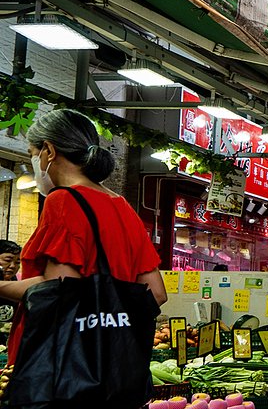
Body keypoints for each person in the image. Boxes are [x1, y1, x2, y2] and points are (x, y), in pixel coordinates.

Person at [0, 109, 168, 375]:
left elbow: (60, 289)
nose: (35, 163)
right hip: (109, 367)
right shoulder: (122, 206)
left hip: (58, 367)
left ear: (49, 151)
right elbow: (156, 293)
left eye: (33, 154)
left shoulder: (63, 200)